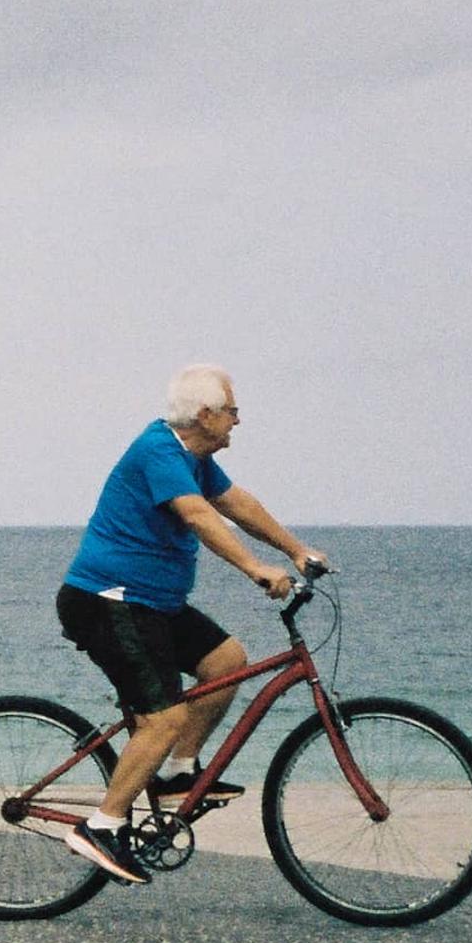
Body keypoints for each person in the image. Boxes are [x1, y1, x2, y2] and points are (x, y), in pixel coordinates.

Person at [52, 364, 330, 885]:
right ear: (205, 415)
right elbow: (199, 517)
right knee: (162, 718)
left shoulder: (194, 458)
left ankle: (177, 774)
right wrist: (254, 567)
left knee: (227, 662)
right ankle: (100, 826)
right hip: (108, 600)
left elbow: (235, 504)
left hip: (152, 603)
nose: (237, 422)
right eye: (233, 412)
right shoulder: (159, 451)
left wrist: (295, 550)